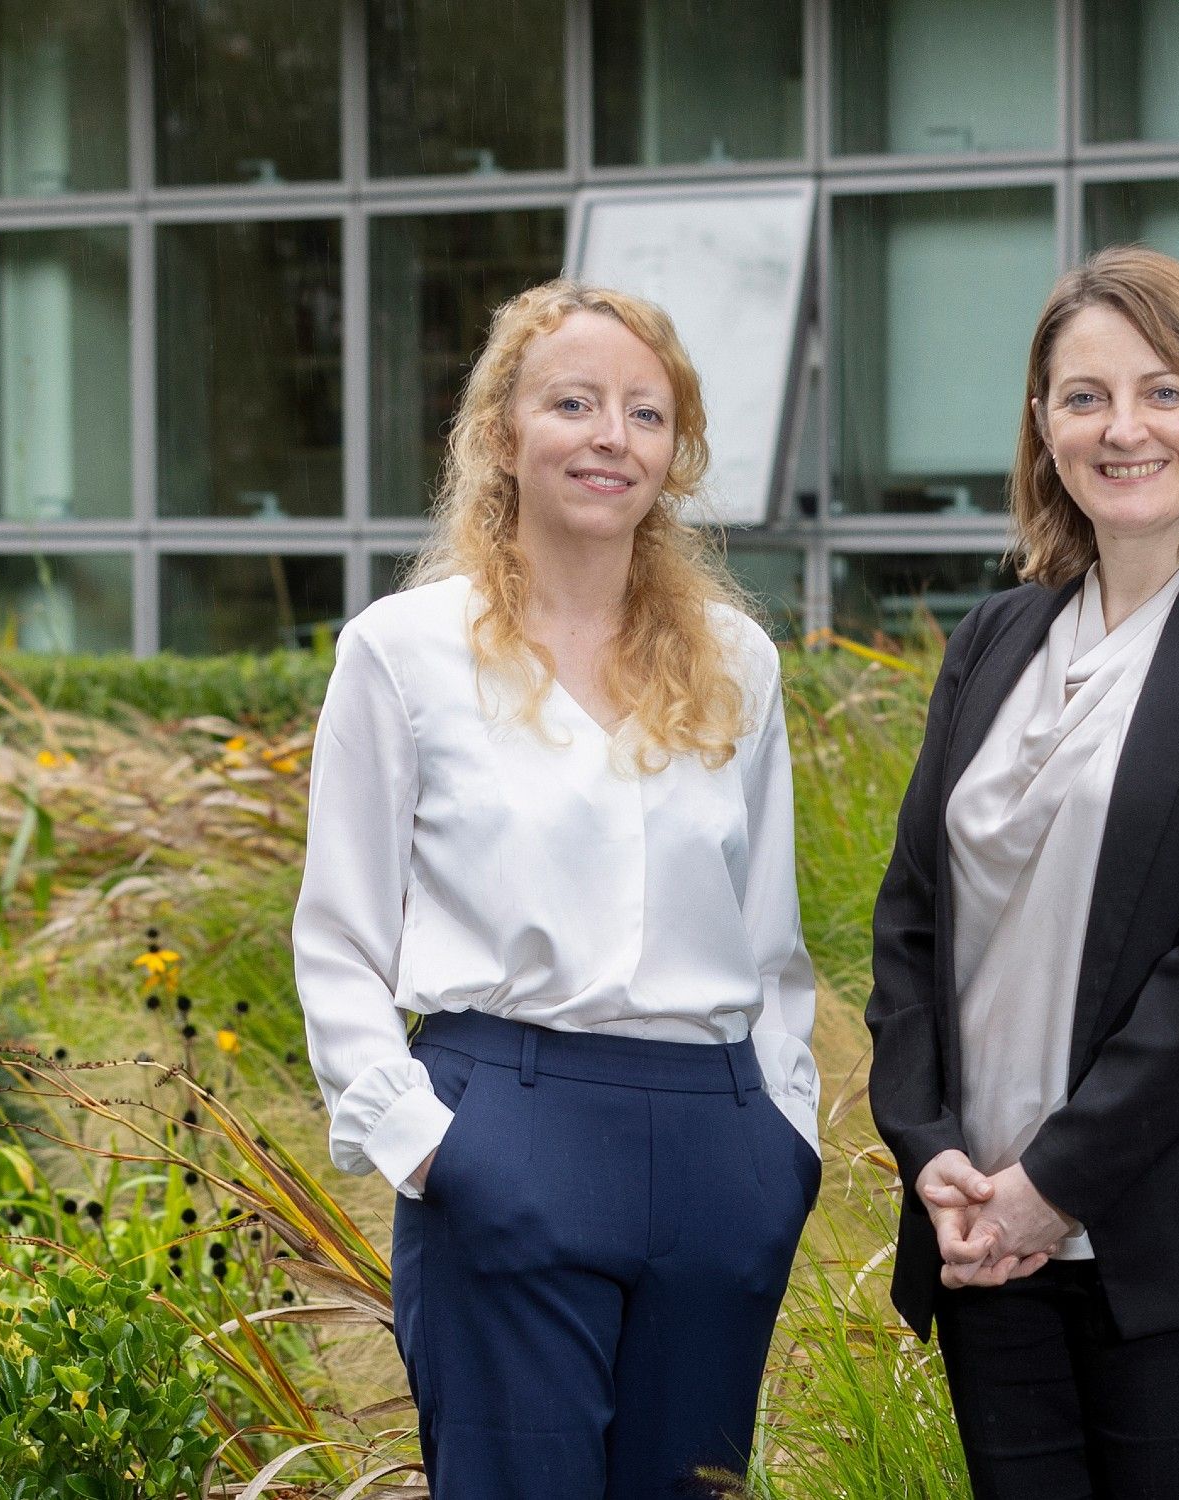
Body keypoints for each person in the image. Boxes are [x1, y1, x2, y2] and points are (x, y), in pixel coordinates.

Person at [292, 280, 820, 1499]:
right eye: (571, 402)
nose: (607, 437)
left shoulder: (738, 662)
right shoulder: (402, 653)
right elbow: (340, 939)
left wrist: (778, 1142)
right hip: (505, 1129)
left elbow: (772, 946)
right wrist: (427, 1147)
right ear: (500, 436)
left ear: (672, 455)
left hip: (714, 1145)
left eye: (643, 413)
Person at [865, 246, 1179, 1499]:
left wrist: (1058, 1183)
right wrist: (925, 1145)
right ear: (1041, 428)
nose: (1120, 427)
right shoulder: (997, 636)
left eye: (1161, 391)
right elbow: (913, 921)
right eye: (1082, 396)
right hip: (989, 1246)